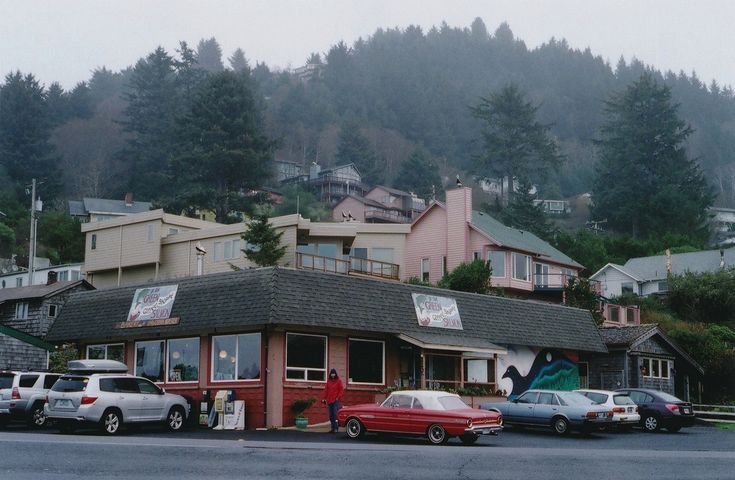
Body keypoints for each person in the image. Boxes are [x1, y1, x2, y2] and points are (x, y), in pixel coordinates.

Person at [322, 368, 344, 433]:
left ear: (335, 374)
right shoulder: (328, 381)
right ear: (330, 374)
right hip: (329, 400)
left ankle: (336, 428)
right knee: (331, 415)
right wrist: (324, 398)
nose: (333, 375)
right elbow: (326, 390)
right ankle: (332, 428)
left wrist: (338, 397)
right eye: (332, 373)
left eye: (334, 373)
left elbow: (341, 390)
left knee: (335, 414)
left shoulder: (339, 381)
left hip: (336, 401)